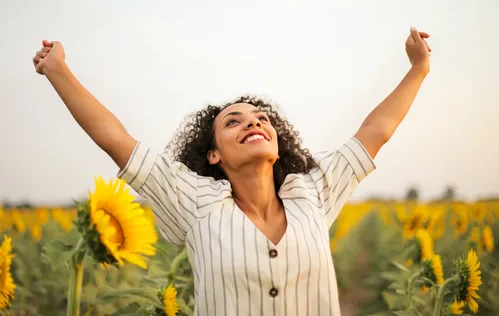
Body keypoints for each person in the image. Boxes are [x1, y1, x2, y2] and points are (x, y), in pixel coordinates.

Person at [31, 27, 431, 316]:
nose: (253, 124)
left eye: (261, 119)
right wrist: (57, 70)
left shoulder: (313, 191)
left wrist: (418, 69)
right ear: (213, 156)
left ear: (278, 144)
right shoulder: (195, 203)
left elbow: (376, 132)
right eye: (233, 122)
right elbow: (115, 140)